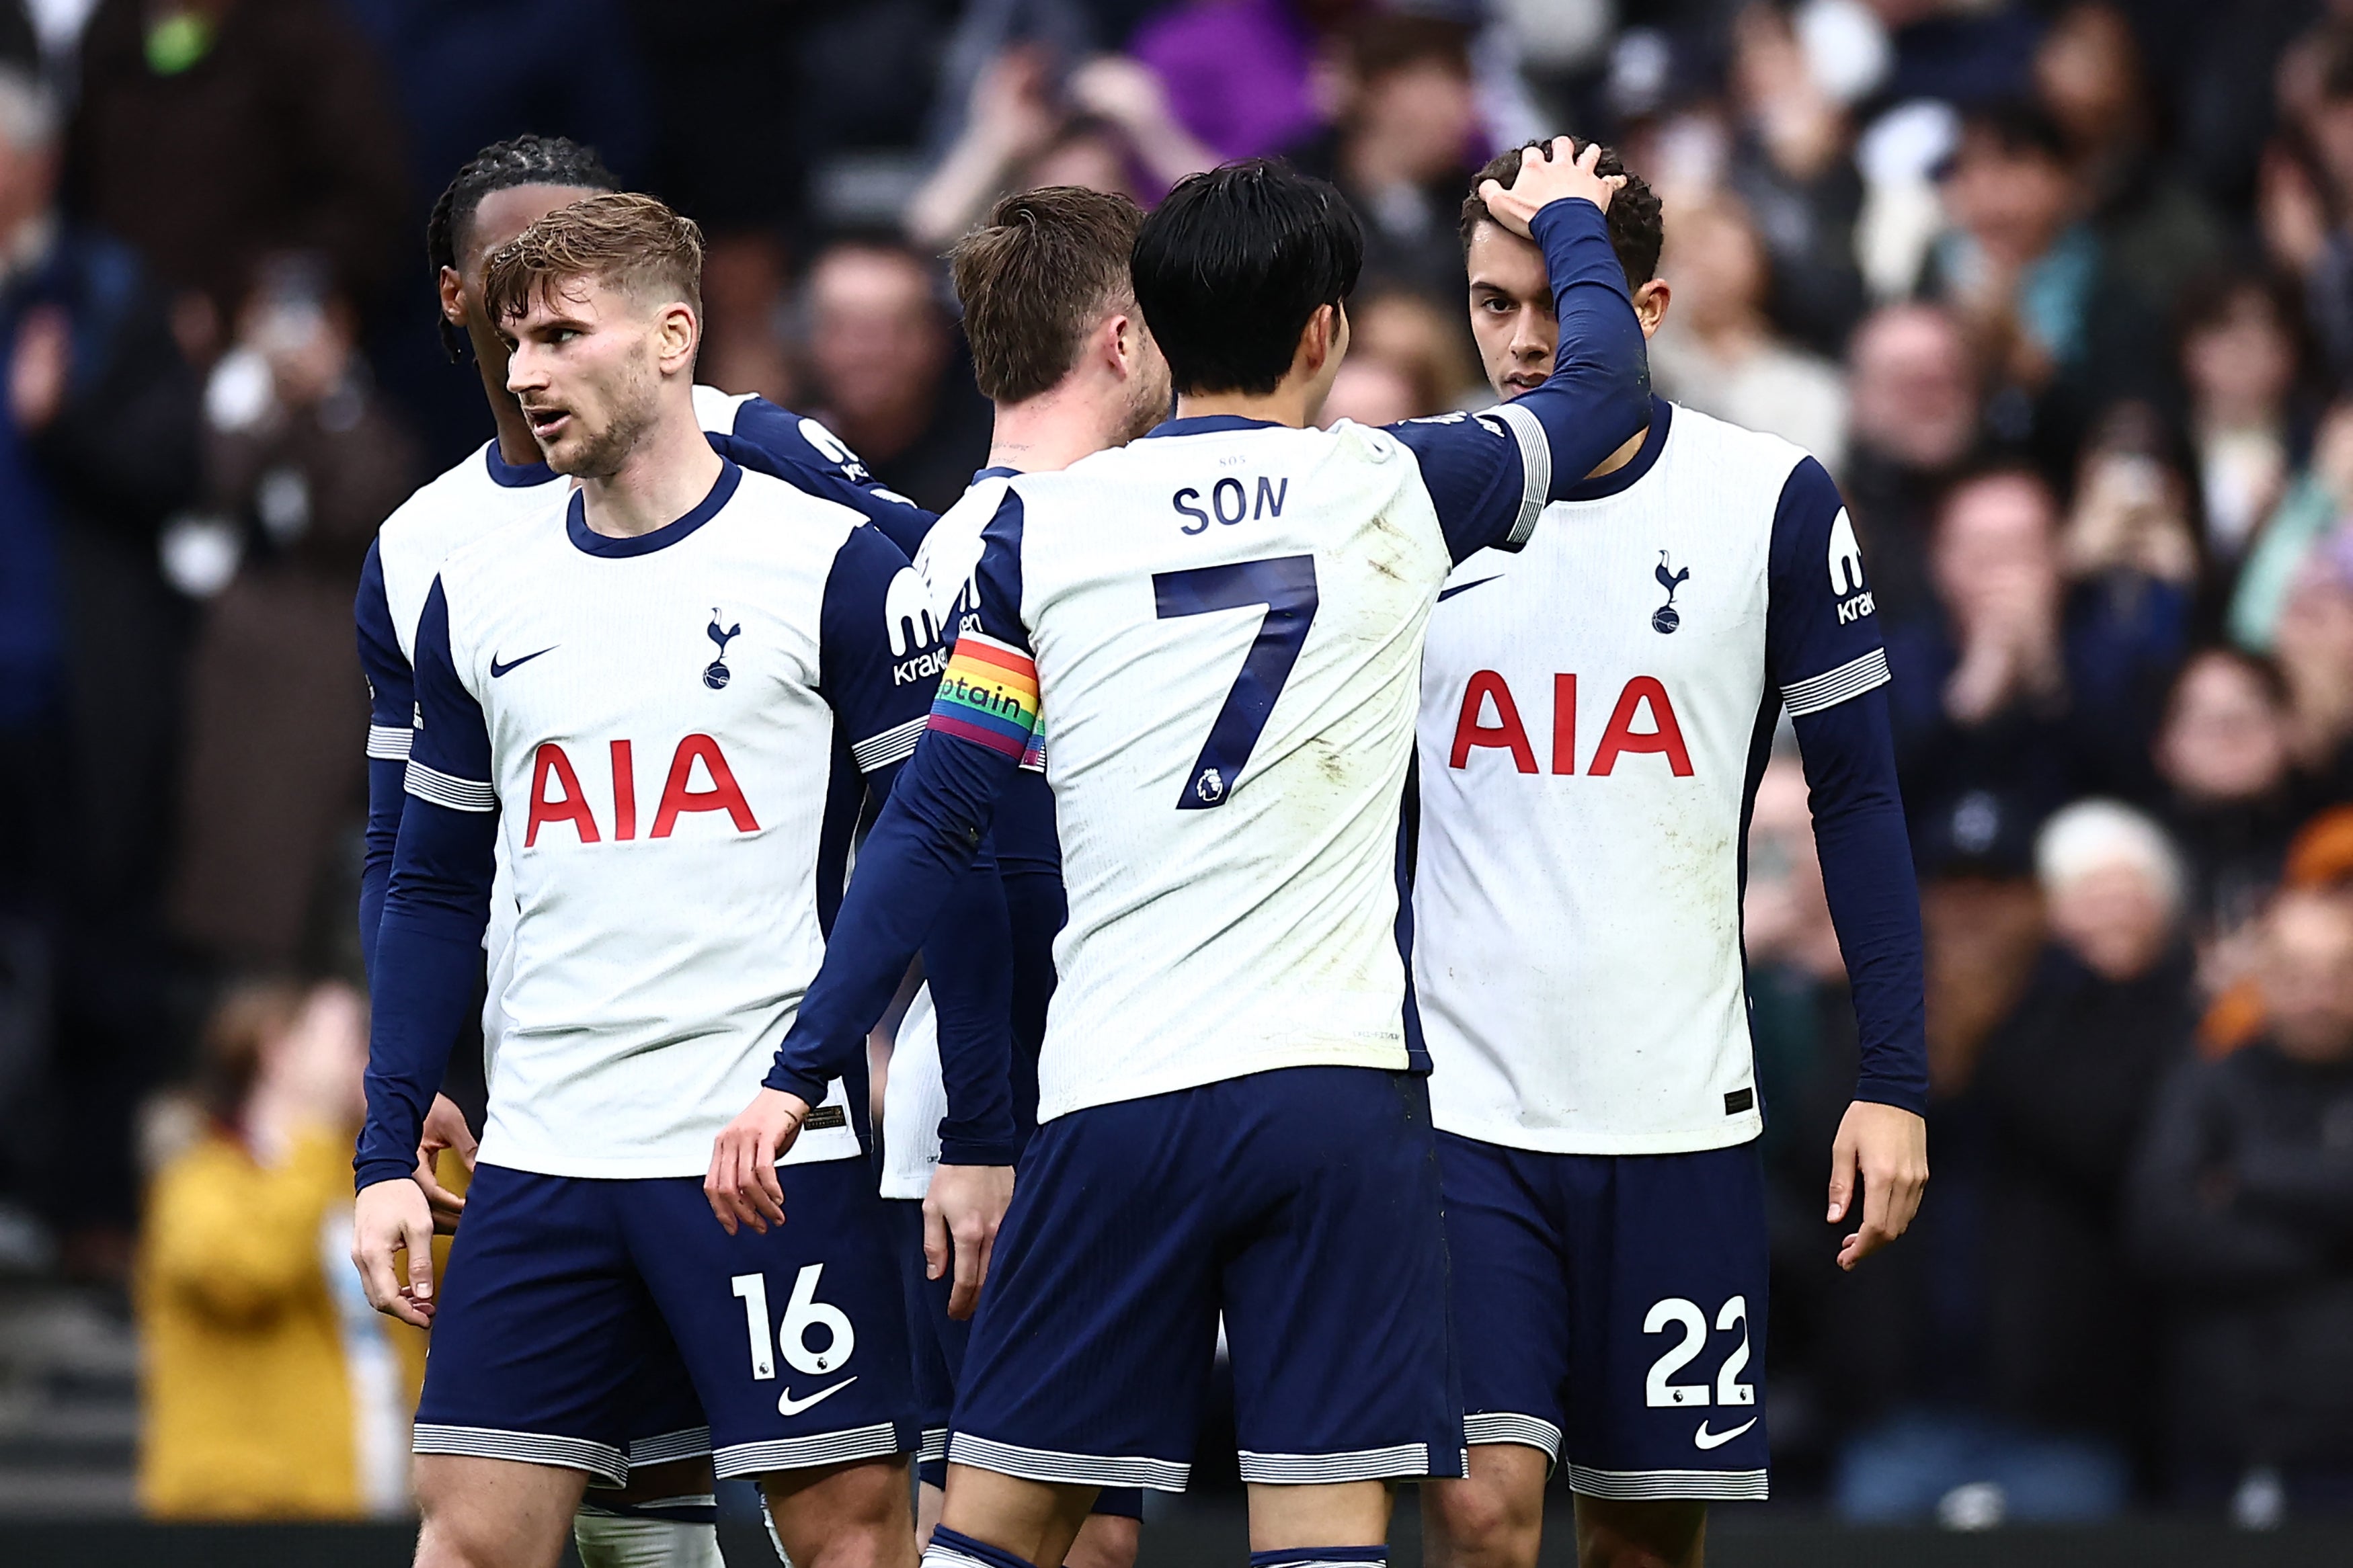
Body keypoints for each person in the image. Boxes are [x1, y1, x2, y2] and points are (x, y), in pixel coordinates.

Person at [708, 144, 1650, 1568]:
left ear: (1147, 321)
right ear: (1325, 330)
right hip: (1333, 1092)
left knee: (1000, 1527)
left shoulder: (1048, 532)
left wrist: (797, 1065)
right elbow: (1601, 394)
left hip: (1115, 1095)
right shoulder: (1394, 484)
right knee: (1320, 1533)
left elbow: (936, 818)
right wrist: (1573, 222)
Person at [348, 192, 1018, 1568]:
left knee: (844, 1532)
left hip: (759, 1148)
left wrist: (976, 1133)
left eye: (561, 336)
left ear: (672, 337)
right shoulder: (470, 585)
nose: (525, 371)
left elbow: (949, 846)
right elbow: (429, 884)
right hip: (543, 1151)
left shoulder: (828, 560)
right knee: (471, 1533)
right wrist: (385, 1143)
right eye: (516, 339)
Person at [1412, 141, 1927, 1568]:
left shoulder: (1770, 497)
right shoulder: (1423, 492)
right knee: (1479, 1514)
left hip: (1676, 1113)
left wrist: (1892, 1079)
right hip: (1462, 1108)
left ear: (1637, 307)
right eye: (1484, 302)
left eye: (1546, 301)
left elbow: (1861, 801)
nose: (1519, 339)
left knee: (1643, 1539)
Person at [883, 183, 1174, 1568]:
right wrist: (978, 1137)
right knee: (983, 1523)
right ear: (1120, 338)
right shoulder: (991, 560)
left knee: (1094, 1538)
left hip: (1092, 1098)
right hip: (995, 1121)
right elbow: (963, 867)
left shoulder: (1002, 540)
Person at [140, 980, 420, 1518]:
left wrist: (412, 1125)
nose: (372, 1058)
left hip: (371, 1509)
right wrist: (311, 1126)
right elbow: (246, 1273)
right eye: (352, 1039)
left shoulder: (357, 1176)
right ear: (278, 1049)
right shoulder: (199, 1178)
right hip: (244, 1515)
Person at [2130, 888, 2353, 1518]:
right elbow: (2161, 1227)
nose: (2319, 993)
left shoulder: (2226, 1126)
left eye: (2340, 972)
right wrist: (2334, 1249)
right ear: (2263, 976)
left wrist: (2248, 1179)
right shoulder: (2206, 1083)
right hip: (2215, 1432)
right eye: (2298, 972)